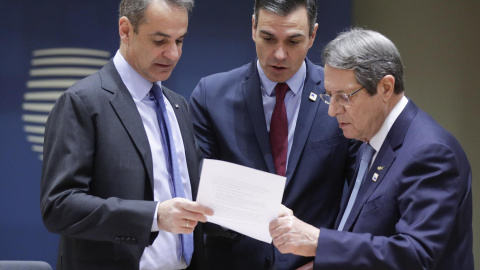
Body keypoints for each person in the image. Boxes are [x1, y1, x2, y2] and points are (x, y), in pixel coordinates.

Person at [269, 28, 474, 270]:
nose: (332, 110)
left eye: (344, 97)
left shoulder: (431, 153)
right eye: (329, 96)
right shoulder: (369, 141)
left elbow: (417, 256)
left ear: (386, 88)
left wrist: (318, 242)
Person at [40, 0, 213, 269]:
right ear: (125, 30)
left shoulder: (177, 105)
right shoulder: (82, 102)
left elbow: (200, 191)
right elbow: (60, 206)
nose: (173, 54)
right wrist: (154, 216)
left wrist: (261, 212)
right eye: (160, 40)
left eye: (180, 41)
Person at [189, 0, 358, 269]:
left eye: (293, 42)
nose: (279, 54)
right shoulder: (211, 96)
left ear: (313, 35)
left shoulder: (340, 98)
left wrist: (328, 261)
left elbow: (363, 198)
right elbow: (199, 191)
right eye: (268, 38)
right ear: (253, 27)